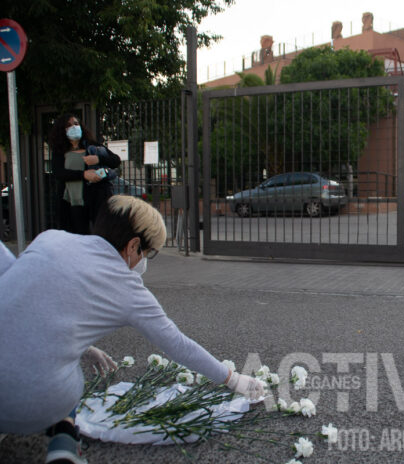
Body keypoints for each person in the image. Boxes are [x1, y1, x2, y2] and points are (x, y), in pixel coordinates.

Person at [0, 195, 265, 463]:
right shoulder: (130, 290)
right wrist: (233, 379)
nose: (146, 261)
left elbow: (23, 304)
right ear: (133, 245)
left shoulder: (50, 239)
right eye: (149, 253)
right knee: (68, 377)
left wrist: (83, 346)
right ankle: (64, 444)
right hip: (37, 405)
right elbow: (179, 345)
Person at [49, 114, 121, 234]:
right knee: (78, 236)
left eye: (76, 124)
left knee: (101, 233)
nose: (74, 127)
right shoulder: (60, 151)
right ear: (63, 130)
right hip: (73, 201)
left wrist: (99, 159)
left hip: (96, 197)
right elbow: (59, 173)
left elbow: (116, 160)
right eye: (69, 125)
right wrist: (84, 175)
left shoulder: (92, 146)